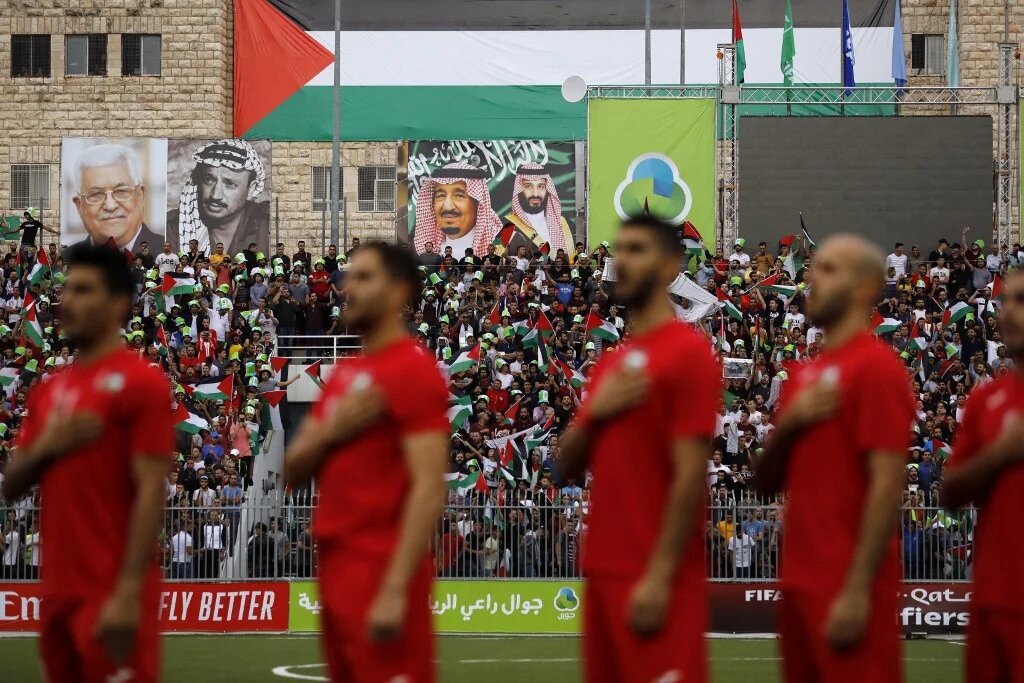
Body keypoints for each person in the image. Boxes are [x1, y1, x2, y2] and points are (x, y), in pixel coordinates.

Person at [1, 243, 174, 682]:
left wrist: (128, 592)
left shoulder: (142, 384)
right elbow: (11, 484)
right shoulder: (49, 392)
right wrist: (47, 445)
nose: (67, 302)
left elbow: (152, 488)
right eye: (67, 289)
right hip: (58, 593)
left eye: (82, 290)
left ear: (117, 303)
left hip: (111, 590)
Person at [559, 215, 720, 683]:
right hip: (605, 573)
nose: (621, 262)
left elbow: (691, 476)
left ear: (671, 266)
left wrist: (659, 576)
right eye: (619, 251)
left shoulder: (687, 355)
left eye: (637, 250)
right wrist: (596, 413)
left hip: (657, 575)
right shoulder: (613, 363)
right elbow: (564, 464)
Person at [285, 241, 449, 682]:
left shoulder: (412, 372)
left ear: (398, 292)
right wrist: (332, 431)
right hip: (336, 567)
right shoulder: (348, 375)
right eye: (347, 278)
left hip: (382, 566)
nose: (346, 288)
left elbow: (430, 487)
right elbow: (293, 469)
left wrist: (395, 588)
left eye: (363, 278)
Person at [755, 234, 914, 683]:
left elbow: (887, 487)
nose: (811, 279)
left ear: (865, 288)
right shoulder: (803, 377)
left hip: (848, 583)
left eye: (827, 270)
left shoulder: (878, 370)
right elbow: (766, 485)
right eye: (812, 268)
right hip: (799, 583)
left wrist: (858, 589)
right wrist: (789, 426)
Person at [943, 268, 1024, 683]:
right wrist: (999, 455)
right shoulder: (986, 401)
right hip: (992, 599)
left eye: (1021, 301)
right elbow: (950, 493)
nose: (1008, 311)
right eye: (1006, 301)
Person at [166, 139, 269, 255]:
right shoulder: (174, 228)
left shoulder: (268, 224)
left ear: (251, 189)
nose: (215, 195)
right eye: (209, 180)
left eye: (230, 184)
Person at [67, 144, 164, 251]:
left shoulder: (170, 254)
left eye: (121, 191)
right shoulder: (65, 261)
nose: (110, 206)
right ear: (79, 206)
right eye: (96, 194)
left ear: (141, 196)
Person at [412, 163, 504, 257]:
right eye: (441, 196)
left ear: (478, 203)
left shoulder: (504, 244)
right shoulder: (419, 251)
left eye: (459, 195)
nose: (448, 206)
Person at [501, 163, 574, 259]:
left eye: (541, 186)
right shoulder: (507, 226)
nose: (535, 193)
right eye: (528, 186)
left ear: (548, 190)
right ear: (519, 190)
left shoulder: (566, 224)